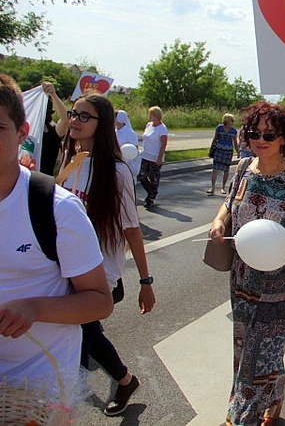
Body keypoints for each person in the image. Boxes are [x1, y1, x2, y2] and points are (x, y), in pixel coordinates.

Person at [208, 101, 285, 426]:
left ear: (284, 137)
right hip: (242, 280)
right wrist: (217, 222)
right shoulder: (243, 169)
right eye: (254, 132)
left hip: (283, 286)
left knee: (257, 359)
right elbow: (228, 206)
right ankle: (275, 402)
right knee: (248, 351)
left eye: (269, 133)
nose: (260, 138)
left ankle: (238, 419)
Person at [0, 81, 113, 396]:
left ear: (22, 132)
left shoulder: (57, 208)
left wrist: (33, 308)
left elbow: (100, 302)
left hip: (36, 391)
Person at [59, 94, 156, 416]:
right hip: (60, 266)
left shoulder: (115, 172)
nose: (74, 120)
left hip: (97, 272)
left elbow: (131, 229)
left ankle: (59, 406)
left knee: (76, 343)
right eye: (73, 114)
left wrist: (145, 280)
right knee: (84, 333)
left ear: (102, 125)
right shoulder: (69, 159)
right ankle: (124, 380)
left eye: (84, 116)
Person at [137, 106, 168, 208]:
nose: (149, 117)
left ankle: (151, 198)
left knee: (153, 178)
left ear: (156, 116)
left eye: (151, 115)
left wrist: (159, 158)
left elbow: (163, 144)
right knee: (141, 176)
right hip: (146, 155)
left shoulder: (162, 129)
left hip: (155, 156)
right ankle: (152, 192)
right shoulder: (149, 125)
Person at [39, 81, 69, 176]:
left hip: (42, 181)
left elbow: (65, 119)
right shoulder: (22, 131)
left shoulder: (52, 133)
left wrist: (53, 95)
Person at [208, 113, 239, 195]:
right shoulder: (219, 128)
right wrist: (211, 149)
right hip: (219, 150)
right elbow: (215, 138)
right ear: (227, 120)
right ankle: (213, 187)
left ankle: (223, 187)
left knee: (226, 169)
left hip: (228, 151)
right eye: (231, 120)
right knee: (215, 169)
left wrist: (238, 152)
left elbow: (235, 142)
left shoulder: (233, 131)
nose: (233, 122)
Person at [115, 110, 140, 178]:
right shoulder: (115, 132)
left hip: (128, 164)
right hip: (116, 163)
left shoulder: (130, 133)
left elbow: (135, 149)